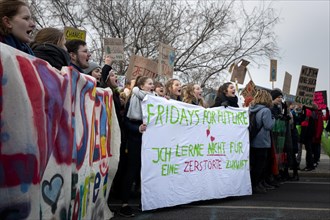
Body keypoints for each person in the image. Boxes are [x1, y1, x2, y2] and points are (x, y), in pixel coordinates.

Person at [119, 76, 153, 217]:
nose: (152, 86)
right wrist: (137, 128)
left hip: (149, 141)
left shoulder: (154, 99)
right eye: (150, 83)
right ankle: (124, 204)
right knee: (132, 171)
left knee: (146, 171)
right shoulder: (134, 98)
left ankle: (145, 201)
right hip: (135, 140)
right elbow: (126, 122)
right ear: (142, 85)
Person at [249, 90, 275, 194]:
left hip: (253, 140)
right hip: (262, 141)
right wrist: (273, 119)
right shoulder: (266, 111)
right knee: (261, 165)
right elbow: (269, 126)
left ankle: (254, 184)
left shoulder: (251, 109)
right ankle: (256, 184)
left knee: (254, 164)